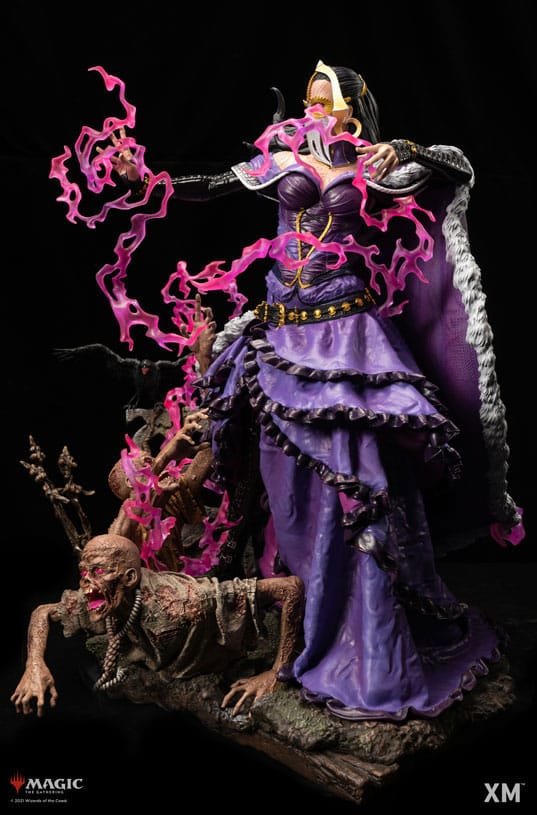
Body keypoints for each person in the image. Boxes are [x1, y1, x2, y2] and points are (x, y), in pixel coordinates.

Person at [109, 61, 521, 720]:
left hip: (349, 340)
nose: (313, 108)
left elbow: (455, 168)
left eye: (325, 99)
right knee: (290, 489)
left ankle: (373, 644)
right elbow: (209, 185)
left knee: (361, 487)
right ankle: (302, 626)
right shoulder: (282, 157)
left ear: (353, 108)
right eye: (308, 98)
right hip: (284, 334)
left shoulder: (374, 166)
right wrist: (146, 179)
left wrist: (404, 148)